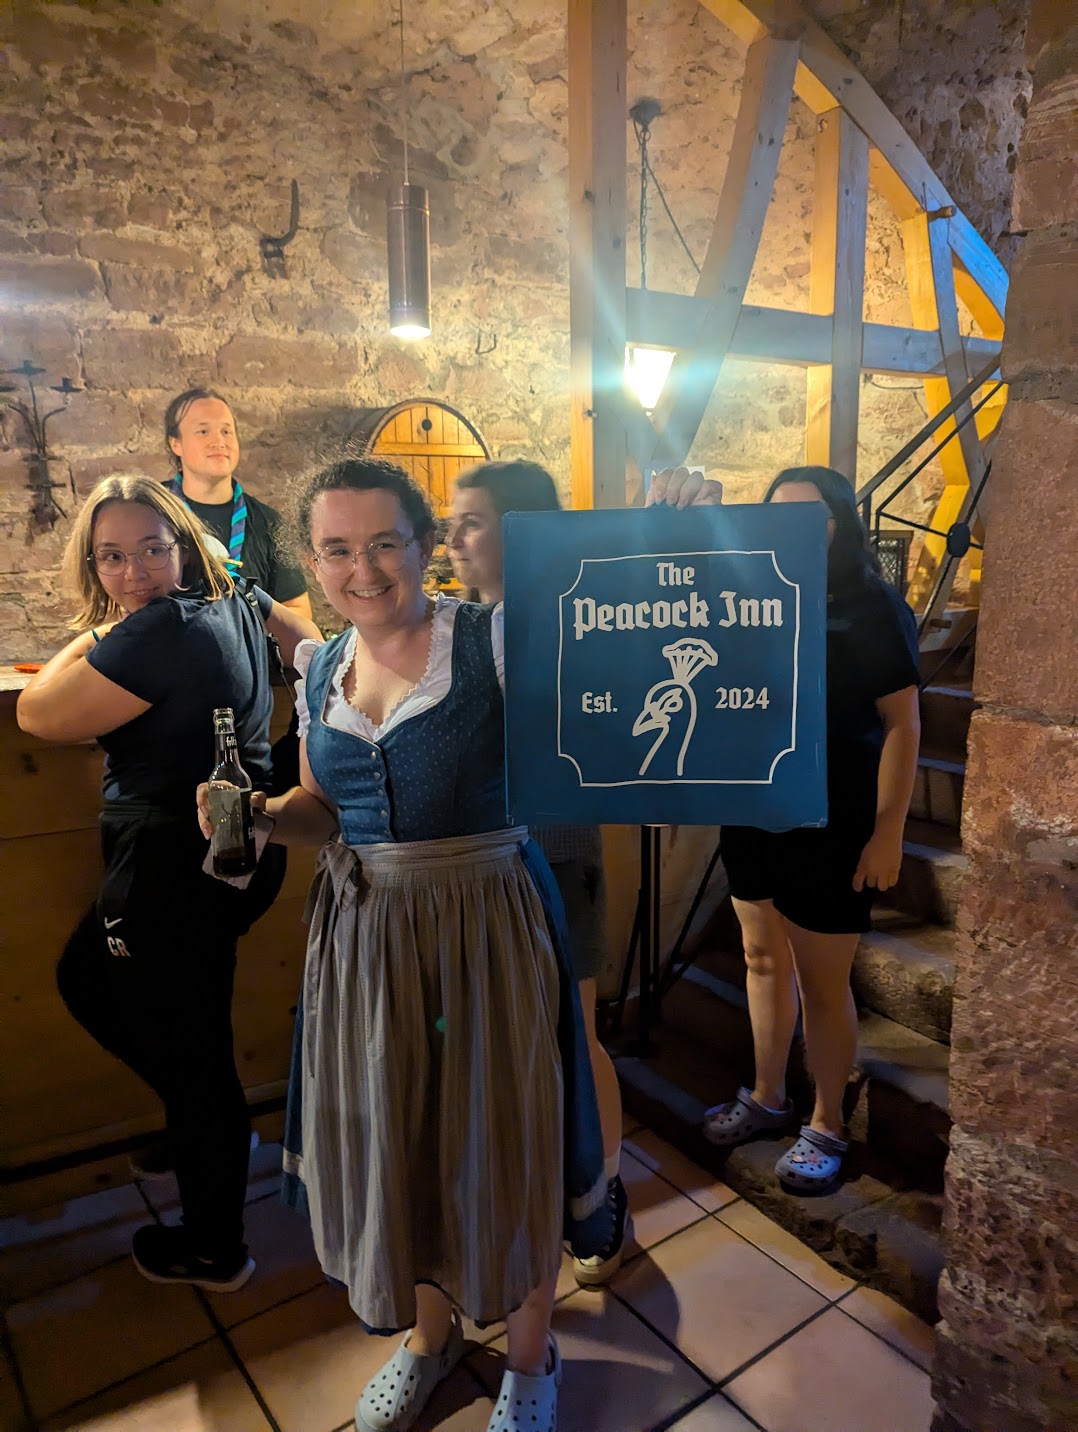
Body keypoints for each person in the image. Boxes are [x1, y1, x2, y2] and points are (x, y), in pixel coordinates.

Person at [198, 456, 716, 1432]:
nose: (362, 568)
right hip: (367, 940)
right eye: (337, 549)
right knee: (406, 1138)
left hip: (487, 925)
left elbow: (632, 650)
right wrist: (263, 817)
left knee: (504, 1138)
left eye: (384, 543)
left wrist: (673, 536)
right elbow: (321, 808)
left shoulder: (494, 640)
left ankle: (529, 1355)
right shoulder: (321, 669)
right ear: (312, 558)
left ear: (423, 544)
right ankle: (431, 1336)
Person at [17, 475, 320, 1290]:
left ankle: (216, 1241)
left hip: (169, 866)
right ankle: (208, 1130)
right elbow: (307, 639)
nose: (134, 572)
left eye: (152, 548)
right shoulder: (233, 594)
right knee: (116, 995)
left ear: (184, 544)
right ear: (92, 562)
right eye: (111, 557)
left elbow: (37, 713)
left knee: (184, 1046)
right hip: (238, 849)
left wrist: (95, 634)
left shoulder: (152, 628)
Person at [694, 464, 921, 1194]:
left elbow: (903, 724)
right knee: (761, 959)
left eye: (810, 514)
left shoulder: (871, 606)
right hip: (756, 807)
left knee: (824, 983)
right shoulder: (750, 596)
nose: (793, 528)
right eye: (778, 514)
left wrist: (888, 833)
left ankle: (826, 1123)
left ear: (838, 523)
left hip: (835, 818)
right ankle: (768, 1096)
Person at [447, 459, 628, 1287]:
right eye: (451, 522)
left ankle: (603, 1191)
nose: (454, 538)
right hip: (486, 864)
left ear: (521, 532)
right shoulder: (458, 626)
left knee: (576, 1036)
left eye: (473, 521)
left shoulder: (569, 617)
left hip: (554, 853)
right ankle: (540, 1185)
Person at [163, 386, 312, 616]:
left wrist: (244, 625)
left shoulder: (268, 523)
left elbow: (299, 610)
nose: (218, 441)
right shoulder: (147, 511)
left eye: (226, 431)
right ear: (176, 443)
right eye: (203, 431)